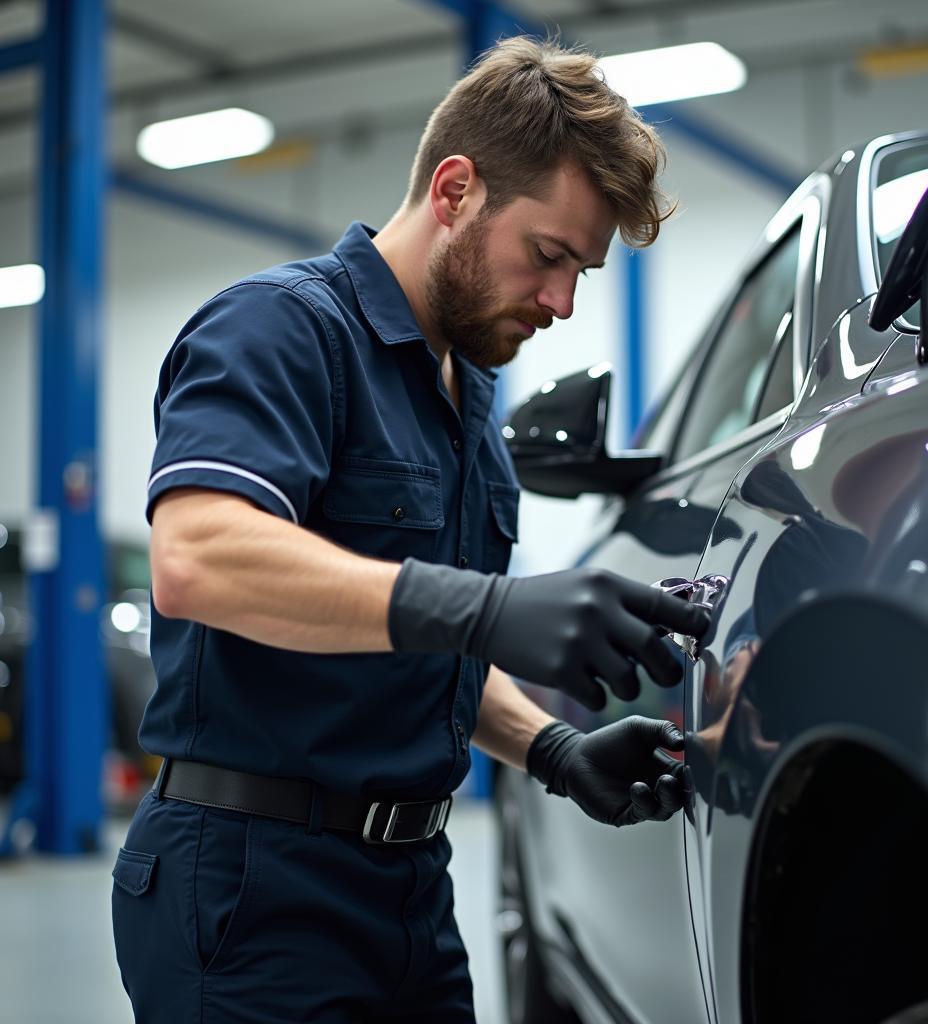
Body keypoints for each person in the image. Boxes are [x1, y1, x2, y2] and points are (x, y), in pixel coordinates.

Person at [111, 36, 710, 1023]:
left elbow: (422, 647)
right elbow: (198, 556)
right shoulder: (281, 329)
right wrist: (483, 608)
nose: (561, 301)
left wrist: (557, 748)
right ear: (455, 189)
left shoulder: (466, 399)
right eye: (548, 256)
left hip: (410, 896)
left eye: (582, 273)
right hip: (251, 893)